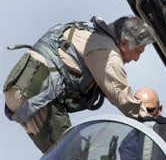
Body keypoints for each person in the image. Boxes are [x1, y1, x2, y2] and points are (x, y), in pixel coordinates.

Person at [3, 15, 156, 152]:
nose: (137, 58)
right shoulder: (107, 54)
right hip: (37, 93)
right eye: (138, 51)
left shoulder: (91, 33)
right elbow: (121, 96)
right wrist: (152, 123)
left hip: (26, 87)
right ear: (124, 43)